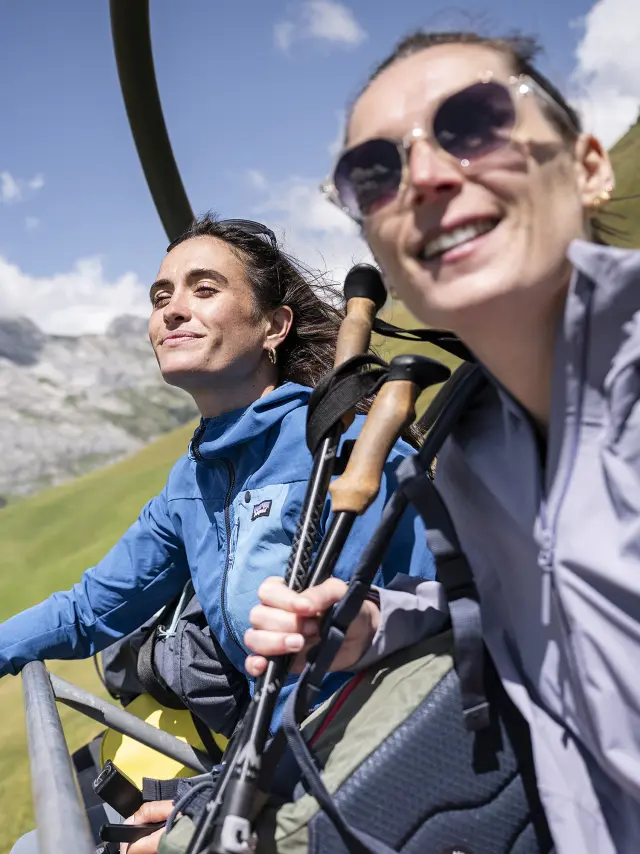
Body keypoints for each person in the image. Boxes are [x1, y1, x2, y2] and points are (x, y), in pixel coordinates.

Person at [244, 31, 640, 854]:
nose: (424, 177)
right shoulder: (467, 446)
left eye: (476, 122)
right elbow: (522, 597)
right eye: (373, 174)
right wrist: (371, 623)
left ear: (589, 165)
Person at [3, 215, 435, 851]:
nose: (173, 309)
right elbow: (92, 608)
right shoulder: (193, 481)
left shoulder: (348, 453)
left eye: (204, 290)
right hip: (265, 768)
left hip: (367, 770)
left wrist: (206, 816)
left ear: (273, 327)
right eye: (161, 295)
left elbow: (432, 633)